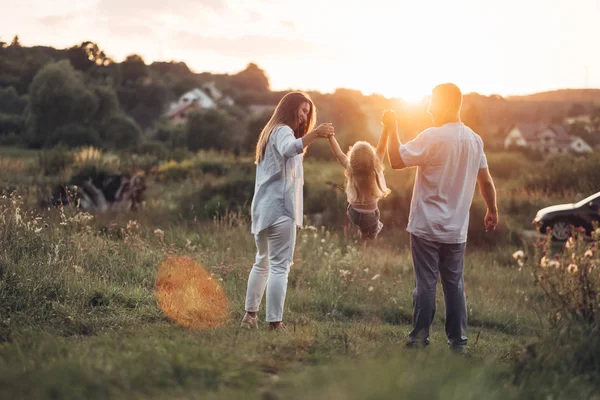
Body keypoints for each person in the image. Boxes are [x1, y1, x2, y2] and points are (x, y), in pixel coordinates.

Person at [386, 83, 499, 351]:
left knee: (425, 285)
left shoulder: (432, 137)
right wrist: (492, 210)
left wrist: (391, 127)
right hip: (456, 230)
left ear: (446, 104)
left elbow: (395, 160)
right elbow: (486, 181)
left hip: (426, 226)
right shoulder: (474, 140)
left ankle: (418, 339)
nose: (428, 108)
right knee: (454, 286)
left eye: (432, 103)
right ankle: (458, 344)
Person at [241, 92, 335, 330]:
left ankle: (249, 317)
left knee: (262, 263)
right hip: (281, 210)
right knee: (280, 266)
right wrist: (316, 134)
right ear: (290, 109)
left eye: (308, 113)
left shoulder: (268, 132)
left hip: (263, 208)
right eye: (303, 111)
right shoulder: (283, 131)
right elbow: (288, 149)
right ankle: (275, 322)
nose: (305, 117)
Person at [326, 115, 391, 239]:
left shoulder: (351, 170)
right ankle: (371, 235)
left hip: (354, 214)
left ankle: (359, 236)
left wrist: (331, 137)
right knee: (374, 225)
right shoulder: (375, 168)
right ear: (372, 158)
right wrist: (387, 127)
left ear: (353, 157)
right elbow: (382, 146)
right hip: (371, 215)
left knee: (358, 225)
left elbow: (339, 153)